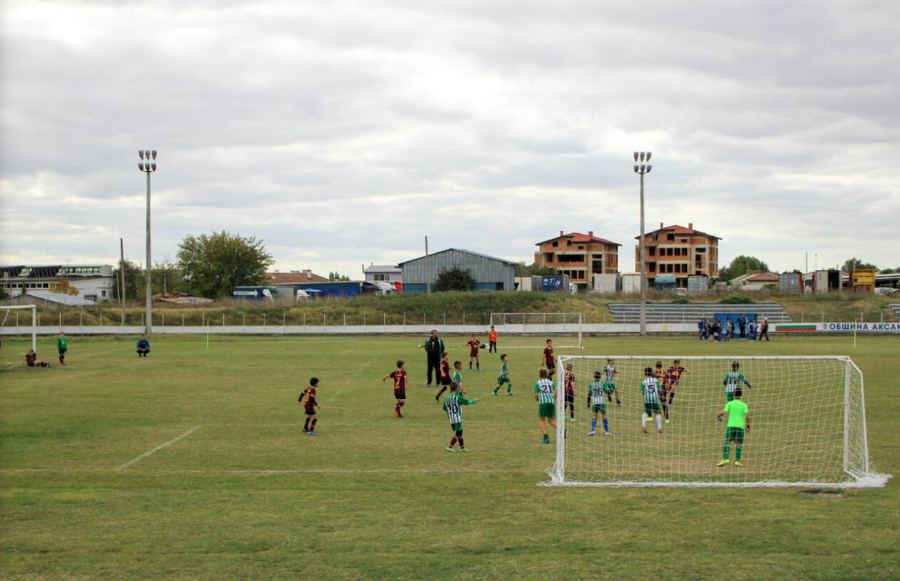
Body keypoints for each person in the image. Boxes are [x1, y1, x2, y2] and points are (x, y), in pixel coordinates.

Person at [717, 387, 750, 467]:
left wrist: (718, 414)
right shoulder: (744, 405)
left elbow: (724, 412)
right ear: (741, 395)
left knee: (727, 441)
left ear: (733, 394)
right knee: (739, 443)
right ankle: (737, 461)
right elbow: (746, 416)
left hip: (731, 426)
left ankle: (725, 458)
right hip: (740, 427)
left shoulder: (730, 403)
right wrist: (748, 425)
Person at [442, 382, 477, 452]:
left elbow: (444, 407)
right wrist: (474, 400)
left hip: (451, 418)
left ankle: (462, 447)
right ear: (457, 388)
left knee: (460, 430)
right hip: (457, 417)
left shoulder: (447, 397)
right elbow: (467, 402)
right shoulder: (457, 397)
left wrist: (450, 412)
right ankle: (449, 446)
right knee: (458, 432)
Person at [535, 369, 557, 444]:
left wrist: (537, 399)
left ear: (539, 375)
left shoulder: (538, 382)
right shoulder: (551, 382)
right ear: (547, 375)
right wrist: (554, 398)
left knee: (541, 419)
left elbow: (536, 394)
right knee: (551, 420)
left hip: (543, 402)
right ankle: (562, 430)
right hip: (551, 402)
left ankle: (546, 438)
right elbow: (556, 390)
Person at [588, 371, 612, 436]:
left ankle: (592, 431)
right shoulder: (603, 384)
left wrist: (588, 404)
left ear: (594, 377)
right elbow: (607, 391)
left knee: (594, 415)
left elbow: (589, 395)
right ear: (600, 377)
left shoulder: (591, 384)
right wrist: (610, 397)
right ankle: (607, 431)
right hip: (601, 402)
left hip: (594, 402)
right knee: (604, 415)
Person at [640, 367, 663, 434]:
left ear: (645, 374)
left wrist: (645, 397)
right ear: (652, 372)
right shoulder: (656, 380)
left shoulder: (643, 382)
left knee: (646, 411)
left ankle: (643, 426)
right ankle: (659, 428)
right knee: (657, 413)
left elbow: (642, 392)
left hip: (647, 398)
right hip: (655, 398)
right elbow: (660, 389)